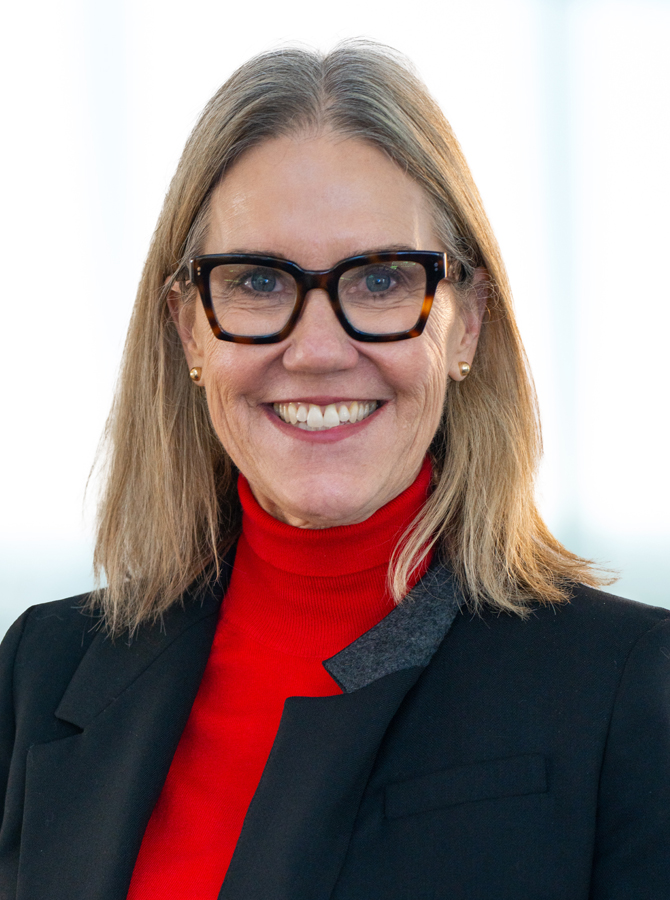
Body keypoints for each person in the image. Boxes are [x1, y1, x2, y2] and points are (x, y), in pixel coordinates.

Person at [1, 41, 668, 900]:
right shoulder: (43, 672)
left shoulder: (621, 686)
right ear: (189, 331)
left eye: (384, 279)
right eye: (256, 281)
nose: (316, 350)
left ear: (466, 328)